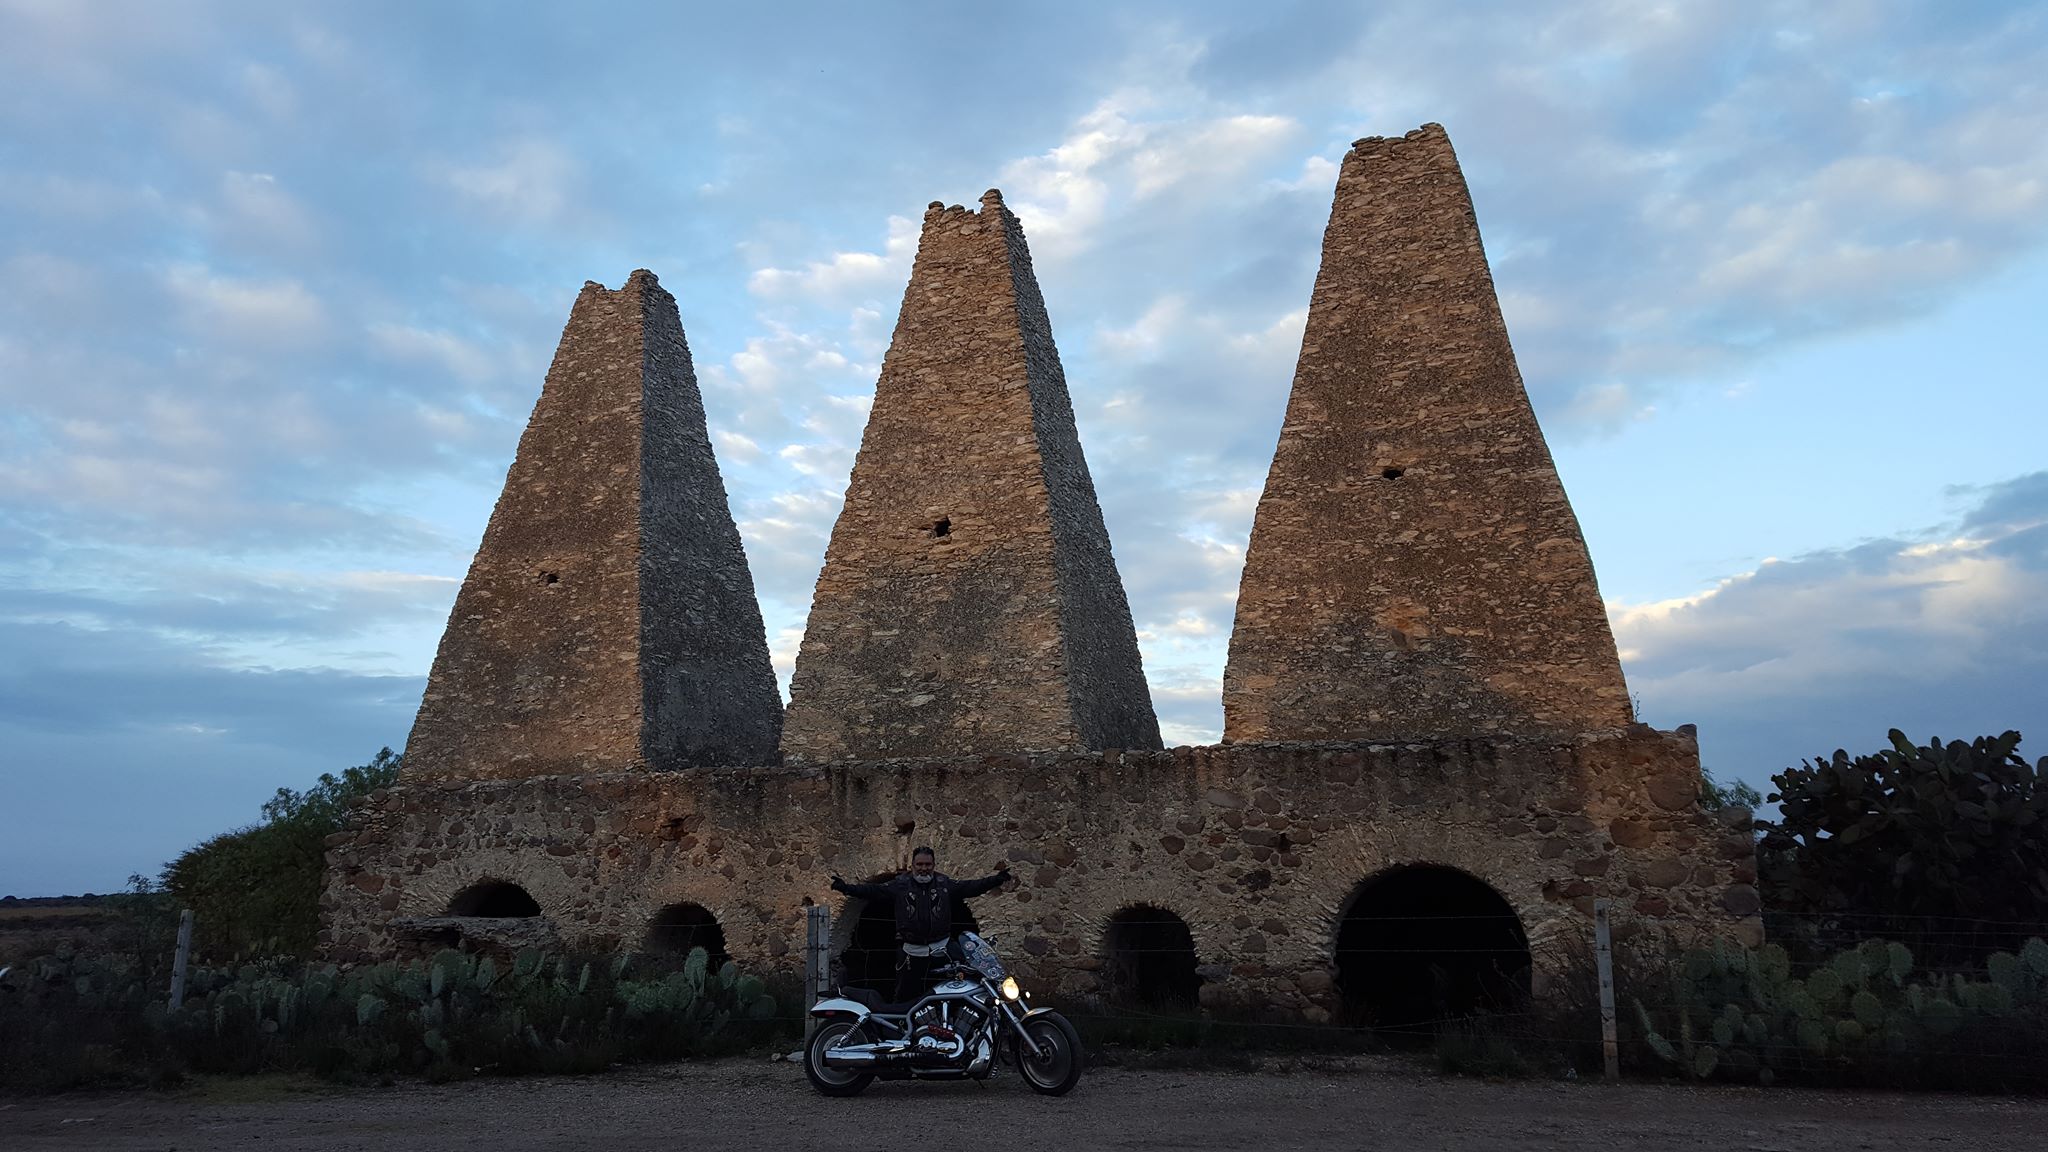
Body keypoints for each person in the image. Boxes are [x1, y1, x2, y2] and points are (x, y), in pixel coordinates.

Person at [831, 847, 1011, 1003]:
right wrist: (846, 888)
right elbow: (872, 890)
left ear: (933, 865)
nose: (924, 869)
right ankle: (900, 1027)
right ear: (912, 866)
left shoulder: (944, 884)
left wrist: (996, 880)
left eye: (927, 865)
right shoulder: (900, 885)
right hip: (911, 948)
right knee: (904, 992)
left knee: (968, 976)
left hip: (942, 945)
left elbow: (971, 887)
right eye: (920, 865)